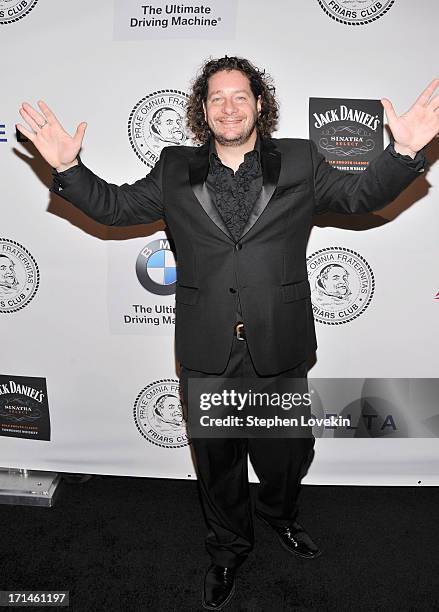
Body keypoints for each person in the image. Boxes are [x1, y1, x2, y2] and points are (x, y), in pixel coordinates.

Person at [16, 57, 438, 610]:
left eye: (240, 96)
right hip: (207, 347)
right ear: (203, 110)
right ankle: (228, 549)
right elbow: (116, 209)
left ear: (259, 104)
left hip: (280, 343)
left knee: (287, 455)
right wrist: (69, 170)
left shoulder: (300, 159)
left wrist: (404, 153)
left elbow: (361, 197)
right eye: (217, 98)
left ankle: (280, 514)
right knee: (216, 463)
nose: (230, 107)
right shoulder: (174, 168)